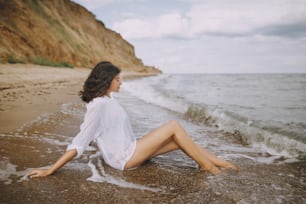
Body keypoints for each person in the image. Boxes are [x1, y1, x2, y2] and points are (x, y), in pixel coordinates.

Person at [28, 61, 238, 178]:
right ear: (107, 80)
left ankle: (226, 165)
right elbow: (79, 142)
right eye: (118, 79)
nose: (121, 83)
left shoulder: (107, 99)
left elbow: (108, 133)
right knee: (174, 125)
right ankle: (209, 168)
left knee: (181, 141)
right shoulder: (98, 105)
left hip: (131, 148)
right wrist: (50, 170)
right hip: (124, 158)